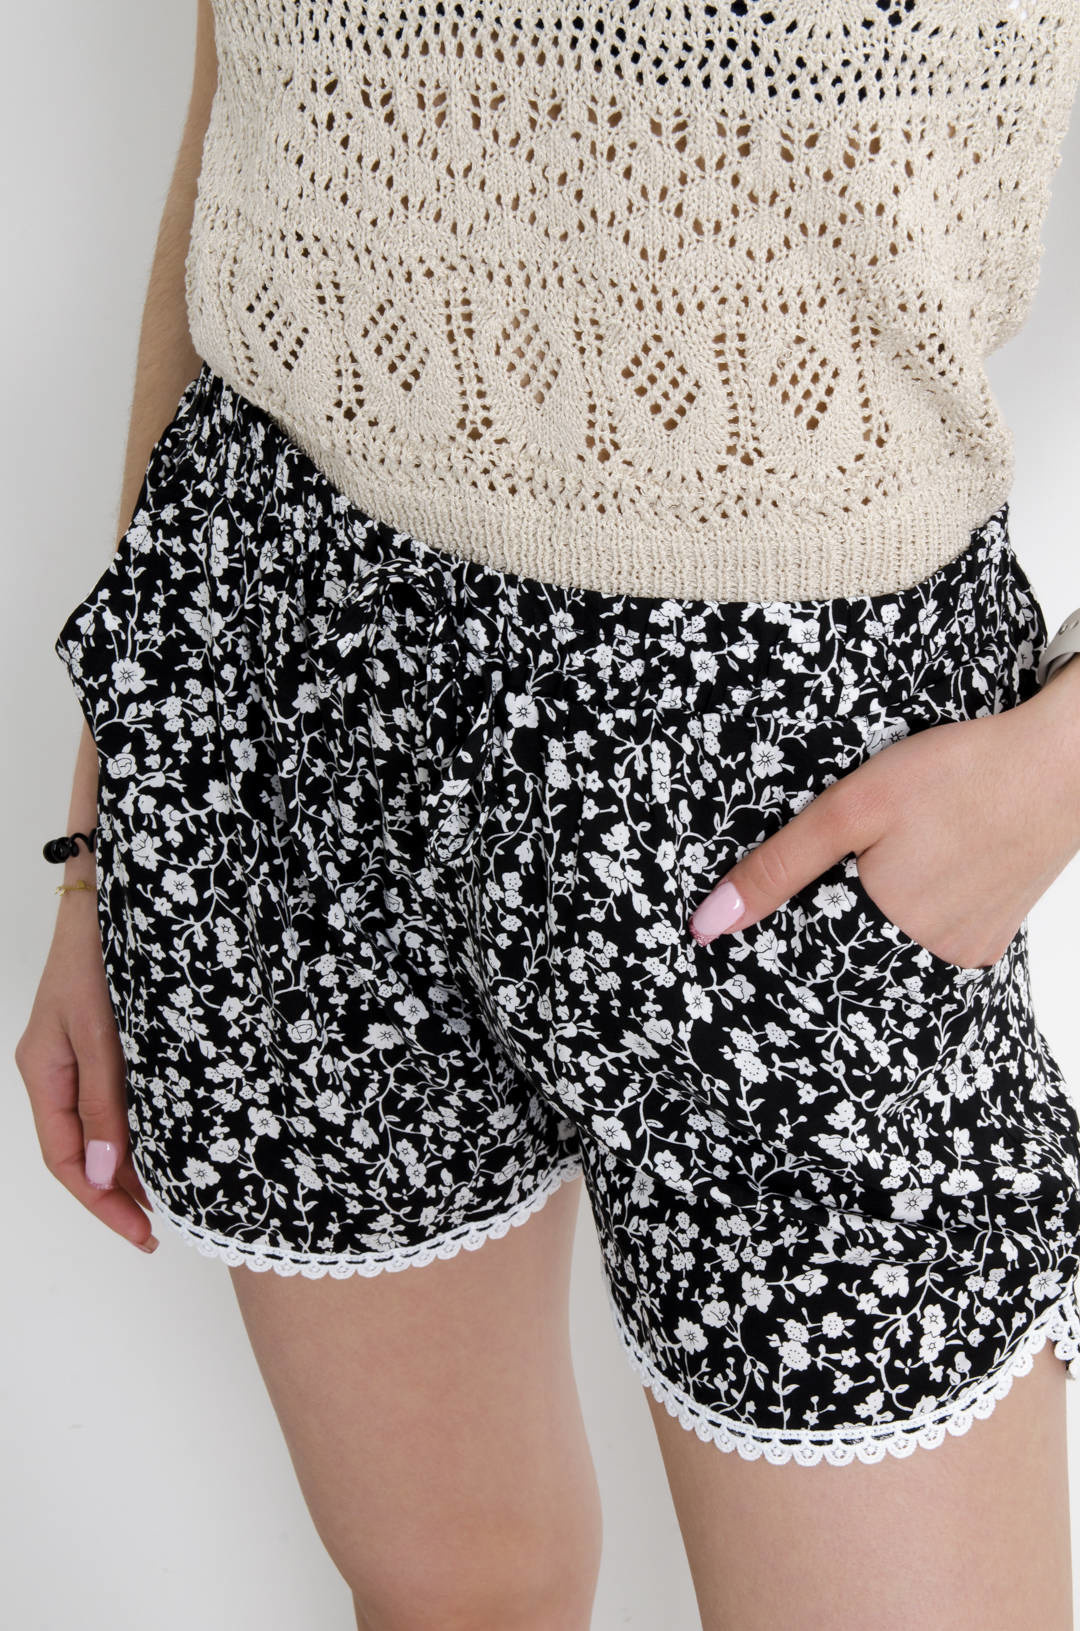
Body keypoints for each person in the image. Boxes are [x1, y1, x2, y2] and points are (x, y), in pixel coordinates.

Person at [16, 0, 1080, 1624]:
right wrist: (104, 841)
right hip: (282, 702)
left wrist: (1060, 766)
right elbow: (249, 116)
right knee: (454, 1597)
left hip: (787, 778)